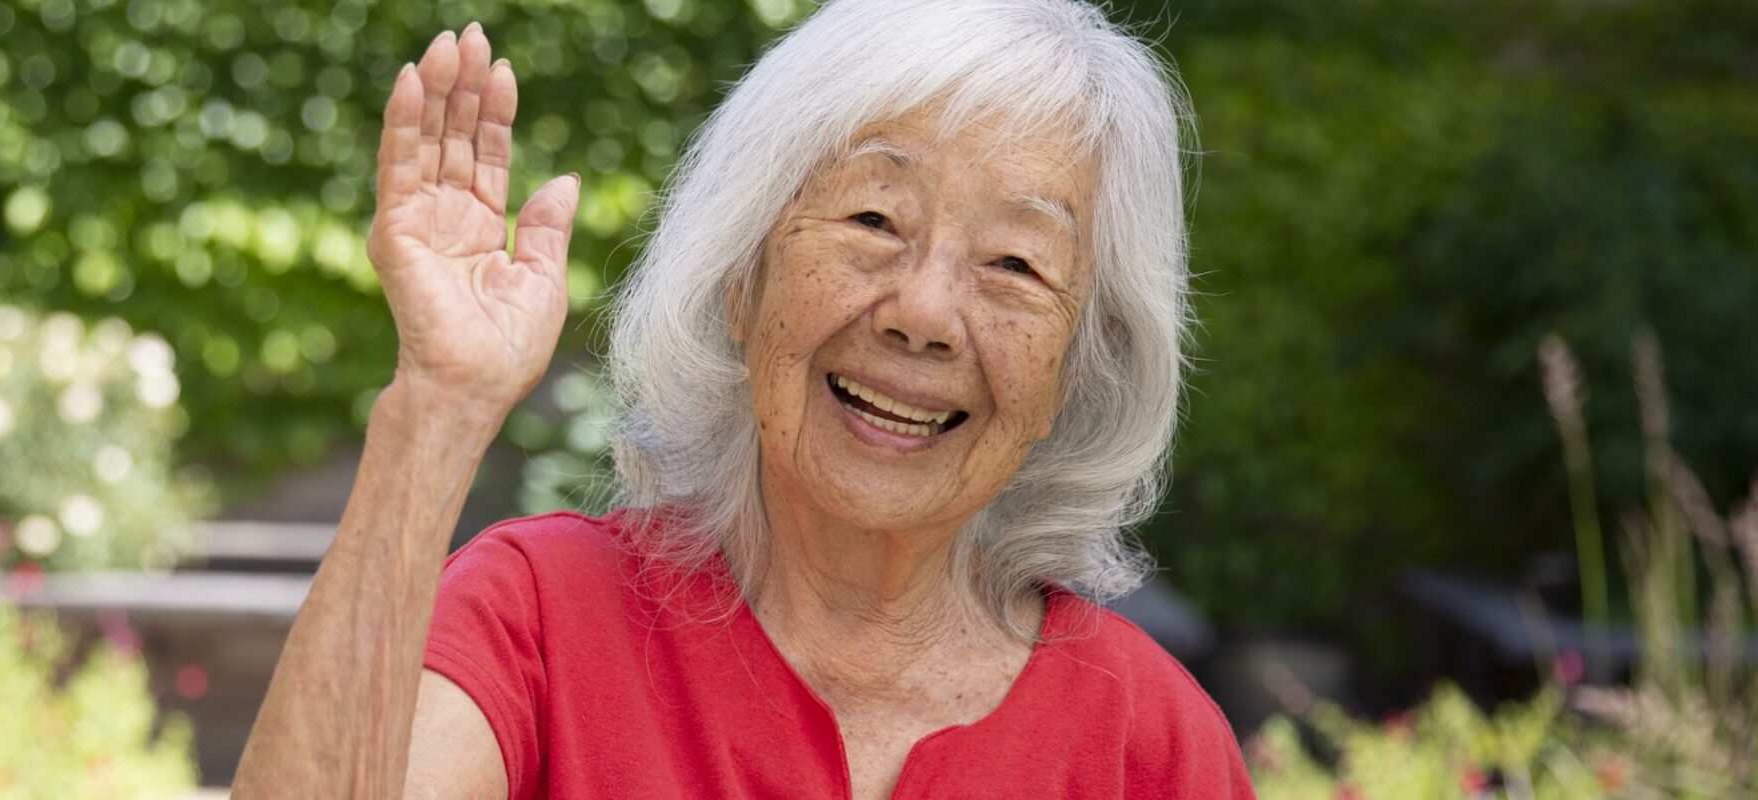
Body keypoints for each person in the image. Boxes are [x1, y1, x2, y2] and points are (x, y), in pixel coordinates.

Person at [232, 1, 1252, 797]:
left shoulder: (1147, 740)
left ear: (1071, 369)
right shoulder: (538, 618)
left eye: (1017, 265)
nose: (925, 312)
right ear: (738, 274)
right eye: (871, 215)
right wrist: (436, 407)